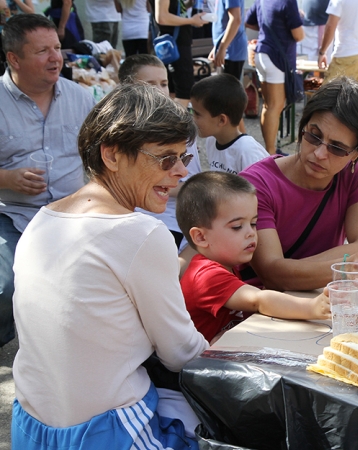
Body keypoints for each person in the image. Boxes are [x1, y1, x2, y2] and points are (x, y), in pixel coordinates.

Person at [12, 83, 209, 449]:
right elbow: (182, 354)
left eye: (183, 157)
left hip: (31, 427)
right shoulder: (141, 233)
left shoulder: (43, 219)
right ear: (113, 155)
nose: (181, 171)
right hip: (107, 432)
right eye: (166, 158)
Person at [239, 77, 358, 291]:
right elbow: (272, 275)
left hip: (320, 299)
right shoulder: (256, 185)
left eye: (337, 148)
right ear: (303, 126)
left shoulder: (355, 175)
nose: (319, 154)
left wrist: (289, 270)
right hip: (259, 311)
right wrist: (346, 267)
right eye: (314, 136)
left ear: (355, 155)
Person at [0, 14, 94, 348]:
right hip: (13, 214)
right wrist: (7, 178)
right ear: (14, 59)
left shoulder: (80, 97)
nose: (56, 57)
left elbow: (100, 157)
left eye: (57, 47)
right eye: (43, 51)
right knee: (5, 286)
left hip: (74, 214)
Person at [176, 171, 330, 344]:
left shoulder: (226, 263)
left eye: (253, 223)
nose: (251, 233)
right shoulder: (206, 275)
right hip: (201, 366)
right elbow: (258, 301)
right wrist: (312, 307)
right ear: (201, 237)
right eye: (237, 226)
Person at [118, 54, 202, 249]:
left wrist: (148, 184)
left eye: (164, 84)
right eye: (150, 84)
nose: (160, 91)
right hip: (128, 216)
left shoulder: (179, 128)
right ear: (126, 89)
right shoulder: (121, 129)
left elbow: (190, 185)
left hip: (170, 221)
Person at [245, 0, 304, 156]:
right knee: (275, 107)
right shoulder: (288, 2)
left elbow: (249, 22)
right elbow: (299, 35)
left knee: (268, 106)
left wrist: (270, 28)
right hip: (277, 57)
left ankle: (269, 150)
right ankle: (270, 152)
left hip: (262, 53)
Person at [190, 73, 268, 175]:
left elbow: (263, 189)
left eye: (197, 114)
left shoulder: (248, 152)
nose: (193, 119)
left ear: (222, 120)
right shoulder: (212, 140)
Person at [152, 0, 207, 108]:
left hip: (176, 45)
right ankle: (173, 124)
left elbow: (172, 11)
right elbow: (162, 17)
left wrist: (188, 4)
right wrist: (191, 20)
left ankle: (169, 123)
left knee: (172, 91)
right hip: (175, 46)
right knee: (185, 92)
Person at [209, 0, 246, 80]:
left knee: (228, 90)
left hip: (231, 50)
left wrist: (222, 48)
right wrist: (217, 46)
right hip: (226, 48)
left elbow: (235, 20)